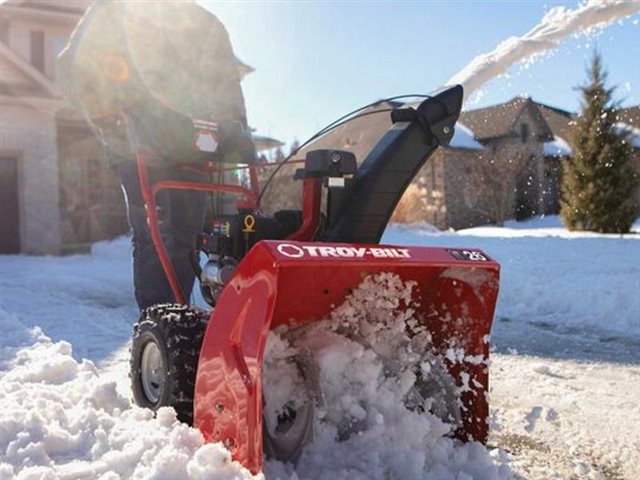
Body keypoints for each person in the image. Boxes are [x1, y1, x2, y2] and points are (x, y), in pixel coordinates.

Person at [57, 0, 255, 309]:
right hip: (139, 143)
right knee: (156, 235)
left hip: (197, 143)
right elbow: (72, 66)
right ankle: (158, 325)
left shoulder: (206, 22)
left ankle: (178, 321)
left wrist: (237, 127)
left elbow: (227, 81)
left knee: (188, 239)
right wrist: (108, 116)